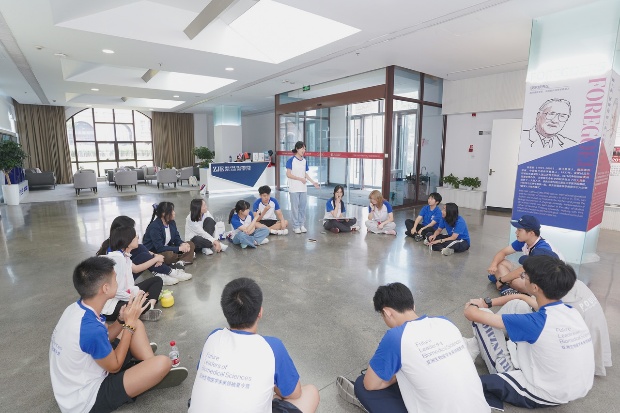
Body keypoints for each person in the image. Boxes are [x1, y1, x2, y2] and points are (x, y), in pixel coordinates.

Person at [50, 256, 188, 413]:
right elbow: (115, 366)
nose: (118, 282)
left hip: (77, 380)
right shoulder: (90, 329)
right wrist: (128, 326)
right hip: (86, 399)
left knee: (136, 324)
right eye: (115, 279)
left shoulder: (78, 309)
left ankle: (146, 368)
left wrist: (121, 321)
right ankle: (149, 373)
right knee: (163, 362)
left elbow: (105, 336)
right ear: (105, 288)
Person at [336, 282, 489, 413]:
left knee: (362, 386)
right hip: (482, 409)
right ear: (413, 306)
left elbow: (370, 384)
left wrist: (396, 376)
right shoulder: (445, 322)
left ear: (387, 312)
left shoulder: (396, 336)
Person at [464, 256, 594, 410]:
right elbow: (522, 298)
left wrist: (474, 305)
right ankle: (475, 345)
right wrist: (490, 301)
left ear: (535, 288)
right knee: (518, 305)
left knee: (483, 318)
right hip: (569, 388)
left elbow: (472, 314)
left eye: (525, 276)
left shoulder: (535, 323)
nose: (522, 277)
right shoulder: (571, 312)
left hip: (541, 393)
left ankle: (476, 348)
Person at [188, 277, 320, 413]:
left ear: (225, 312)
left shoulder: (213, 336)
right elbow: (294, 394)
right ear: (260, 313)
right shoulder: (272, 347)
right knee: (311, 392)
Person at [96, 215, 185, 286]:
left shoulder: (119, 243)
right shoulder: (115, 252)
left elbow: (143, 249)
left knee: (141, 248)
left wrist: (155, 255)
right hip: (121, 282)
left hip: (127, 272)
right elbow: (135, 269)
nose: (134, 233)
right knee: (144, 256)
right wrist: (155, 259)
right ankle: (169, 272)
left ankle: (159, 272)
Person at [487, 215, 561, 295]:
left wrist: (502, 280)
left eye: (519, 230)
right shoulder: (524, 241)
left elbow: (522, 270)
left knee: (516, 282)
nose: (516, 232)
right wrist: (493, 265)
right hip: (531, 273)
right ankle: (507, 287)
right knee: (500, 263)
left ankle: (504, 285)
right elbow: (503, 252)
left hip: (547, 282)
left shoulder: (543, 248)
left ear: (531, 233)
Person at [102, 226, 163, 322]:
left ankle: (147, 309)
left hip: (124, 296)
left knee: (157, 280)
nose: (138, 238)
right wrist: (135, 297)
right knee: (142, 302)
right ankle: (143, 309)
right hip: (112, 306)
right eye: (135, 236)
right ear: (128, 241)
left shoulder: (125, 256)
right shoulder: (118, 259)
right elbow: (114, 292)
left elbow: (129, 286)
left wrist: (137, 293)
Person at [142, 202, 194, 283]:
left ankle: (180, 263)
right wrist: (179, 248)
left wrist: (182, 243)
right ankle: (179, 261)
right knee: (169, 254)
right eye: (172, 211)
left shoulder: (171, 222)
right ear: (164, 214)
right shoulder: (154, 227)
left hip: (169, 248)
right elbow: (159, 248)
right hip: (156, 252)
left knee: (190, 244)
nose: (174, 213)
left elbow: (176, 238)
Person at [521, 98, 577, 163]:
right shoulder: (522, 138)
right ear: (538, 116)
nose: (555, 120)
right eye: (551, 114)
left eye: (562, 116)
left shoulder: (571, 145)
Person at [286, 141, 319, 234]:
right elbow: (288, 174)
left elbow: (305, 173)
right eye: (302, 148)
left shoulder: (304, 161)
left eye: (304, 148)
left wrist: (313, 182)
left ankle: (301, 224)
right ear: (297, 148)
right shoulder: (291, 160)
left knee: (303, 208)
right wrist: (300, 179)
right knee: (295, 208)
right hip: (294, 188)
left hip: (303, 188)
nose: (304, 150)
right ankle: (295, 226)